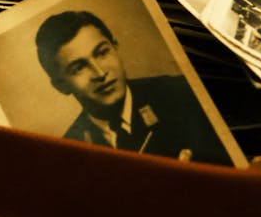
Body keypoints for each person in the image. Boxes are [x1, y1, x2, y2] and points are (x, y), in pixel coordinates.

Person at [34, 9, 231, 163]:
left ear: (115, 47)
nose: (100, 73)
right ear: (60, 86)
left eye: (102, 53)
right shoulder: (68, 152)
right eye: (79, 68)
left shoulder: (182, 95)